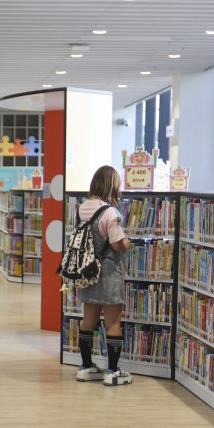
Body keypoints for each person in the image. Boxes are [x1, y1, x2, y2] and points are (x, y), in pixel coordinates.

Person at [75, 165, 133, 386]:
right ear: (111, 185)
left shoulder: (81, 208)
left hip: (88, 271)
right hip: (108, 272)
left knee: (88, 320)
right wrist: (129, 242)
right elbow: (117, 245)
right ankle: (112, 371)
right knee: (113, 322)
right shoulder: (110, 212)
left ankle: (86, 366)